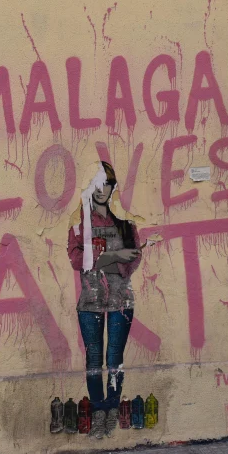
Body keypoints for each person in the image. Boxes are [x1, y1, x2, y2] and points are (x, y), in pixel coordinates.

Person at [67, 161, 141, 439]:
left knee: (115, 358)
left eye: (107, 184)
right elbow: (77, 260)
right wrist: (113, 257)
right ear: (90, 187)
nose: (101, 190)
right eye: (96, 184)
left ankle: (112, 408)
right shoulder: (79, 224)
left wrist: (99, 260)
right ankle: (98, 410)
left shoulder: (124, 224)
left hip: (122, 301)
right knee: (94, 358)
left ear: (113, 188)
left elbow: (133, 259)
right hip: (90, 302)